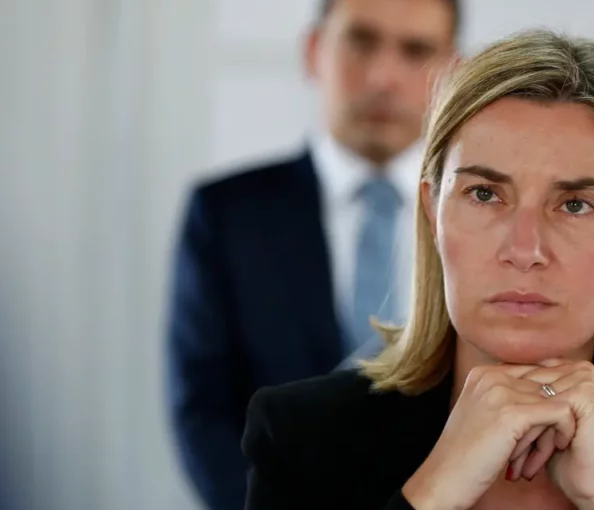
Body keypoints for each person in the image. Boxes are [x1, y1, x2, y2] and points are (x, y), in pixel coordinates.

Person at [241, 30, 594, 509]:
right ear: (433, 214)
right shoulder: (303, 436)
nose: (524, 249)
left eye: (575, 205)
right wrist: (431, 493)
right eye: (485, 194)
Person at [166, 1, 458, 508]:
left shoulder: (488, 221)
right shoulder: (227, 214)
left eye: (416, 50)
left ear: (454, 73)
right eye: (361, 42)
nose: (383, 77)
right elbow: (203, 411)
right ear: (313, 50)